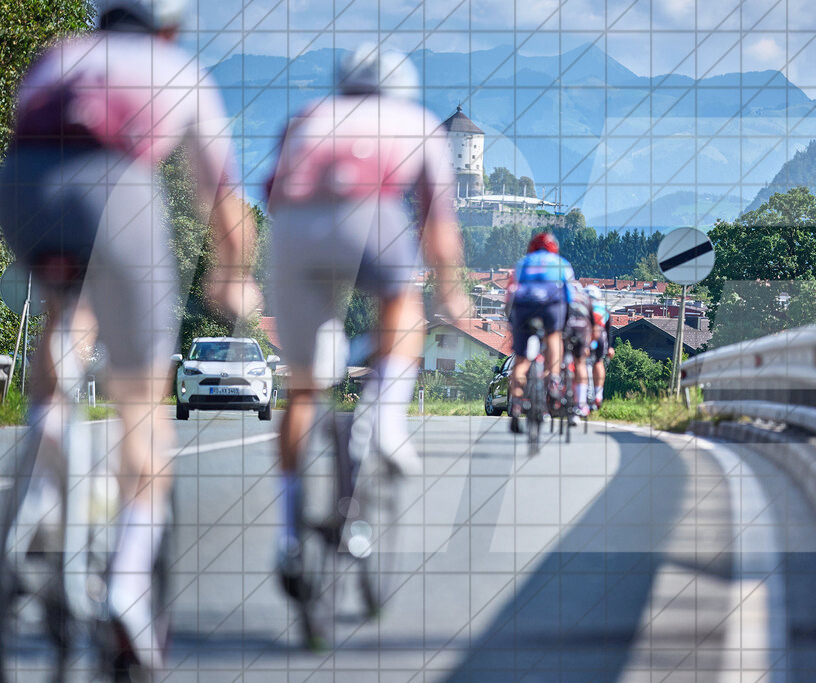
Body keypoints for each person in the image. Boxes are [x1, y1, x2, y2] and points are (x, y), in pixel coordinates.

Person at [0, 0, 257, 672]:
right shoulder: (178, 69)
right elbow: (224, 202)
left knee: (65, 318)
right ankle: (128, 589)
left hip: (24, 190)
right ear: (170, 24)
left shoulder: (59, 52)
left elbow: (22, 128)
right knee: (141, 401)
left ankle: (46, 444)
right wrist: (231, 275)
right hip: (115, 192)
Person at [265, 45, 468, 628]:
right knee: (403, 307)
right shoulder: (418, 125)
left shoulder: (306, 116)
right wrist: (449, 292)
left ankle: (287, 537)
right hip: (371, 221)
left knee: (305, 390)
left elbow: (271, 189)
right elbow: (437, 224)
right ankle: (386, 419)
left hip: (295, 232)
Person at [506, 232, 575, 432]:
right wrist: (565, 322)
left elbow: (510, 292)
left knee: (521, 360)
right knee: (554, 336)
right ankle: (553, 380)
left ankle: (517, 405)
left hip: (524, 304)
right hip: (552, 304)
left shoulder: (522, 262)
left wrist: (512, 322)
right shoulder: (561, 263)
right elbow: (570, 295)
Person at [564, 279, 594, 423]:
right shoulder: (586, 300)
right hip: (582, 330)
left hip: (566, 329)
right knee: (580, 363)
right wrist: (588, 345)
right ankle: (581, 403)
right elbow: (593, 324)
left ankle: (555, 384)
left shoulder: (563, 296)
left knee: (555, 356)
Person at [585, 284, 614, 409]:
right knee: (598, 362)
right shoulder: (605, 309)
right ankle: (598, 395)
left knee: (580, 363)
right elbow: (608, 332)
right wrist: (609, 348)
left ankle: (582, 396)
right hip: (601, 337)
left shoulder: (582, 306)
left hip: (585, 336)